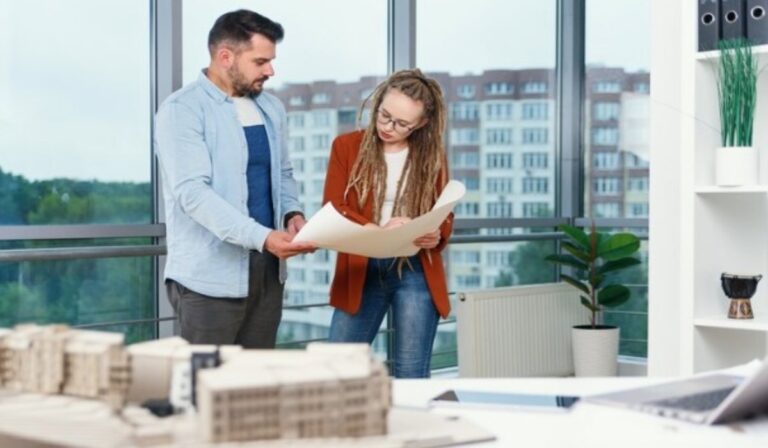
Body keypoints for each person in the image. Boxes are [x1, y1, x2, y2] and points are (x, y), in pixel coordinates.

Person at [154, 9, 315, 348]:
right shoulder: (181, 110)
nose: (270, 70)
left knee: (252, 390)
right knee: (205, 389)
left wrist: (291, 213)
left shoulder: (271, 108)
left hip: (268, 275)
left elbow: (282, 173)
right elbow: (194, 194)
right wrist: (264, 237)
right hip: (208, 280)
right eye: (260, 62)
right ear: (225, 56)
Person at [323, 69, 453, 378]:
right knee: (335, 370)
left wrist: (434, 234)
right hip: (361, 267)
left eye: (402, 123)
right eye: (384, 115)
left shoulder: (432, 156)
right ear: (378, 103)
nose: (388, 127)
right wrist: (375, 232)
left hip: (414, 269)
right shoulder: (346, 146)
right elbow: (333, 207)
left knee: (411, 372)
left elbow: (444, 213)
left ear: (421, 124)